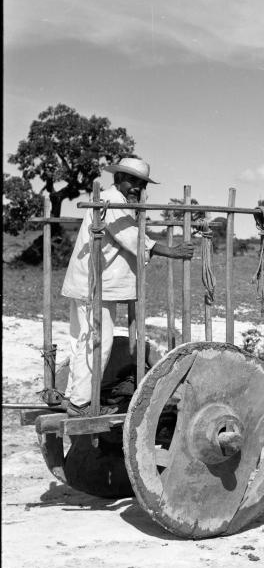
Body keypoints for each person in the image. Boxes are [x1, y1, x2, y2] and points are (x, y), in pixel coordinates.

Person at [61, 156, 194, 417]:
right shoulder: (113, 201)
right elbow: (132, 238)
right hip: (96, 284)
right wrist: (173, 251)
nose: (137, 187)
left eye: (141, 183)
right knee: (98, 341)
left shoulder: (116, 201)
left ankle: (72, 398)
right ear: (119, 178)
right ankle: (80, 404)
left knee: (84, 340)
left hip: (93, 283)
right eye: (132, 181)